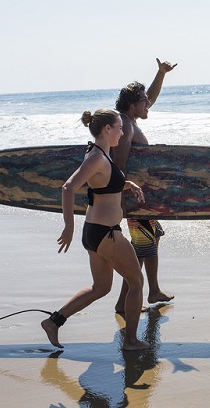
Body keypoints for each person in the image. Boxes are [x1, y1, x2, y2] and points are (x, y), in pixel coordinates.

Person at [41, 109, 149, 351]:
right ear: (107, 129)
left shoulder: (98, 153)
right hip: (107, 232)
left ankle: (54, 321)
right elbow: (68, 188)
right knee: (136, 282)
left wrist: (125, 184)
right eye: (119, 127)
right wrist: (69, 226)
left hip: (95, 233)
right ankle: (131, 342)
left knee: (101, 287)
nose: (122, 132)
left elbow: (101, 183)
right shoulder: (97, 157)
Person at [113, 58, 177, 313]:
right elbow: (119, 166)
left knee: (151, 239)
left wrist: (160, 74)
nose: (148, 103)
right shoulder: (125, 127)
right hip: (132, 198)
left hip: (140, 198)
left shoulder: (128, 121)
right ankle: (127, 301)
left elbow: (149, 97)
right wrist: (121, 204)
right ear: (132, 105)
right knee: (141, 248)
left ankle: (152, 290)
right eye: (143, 101)